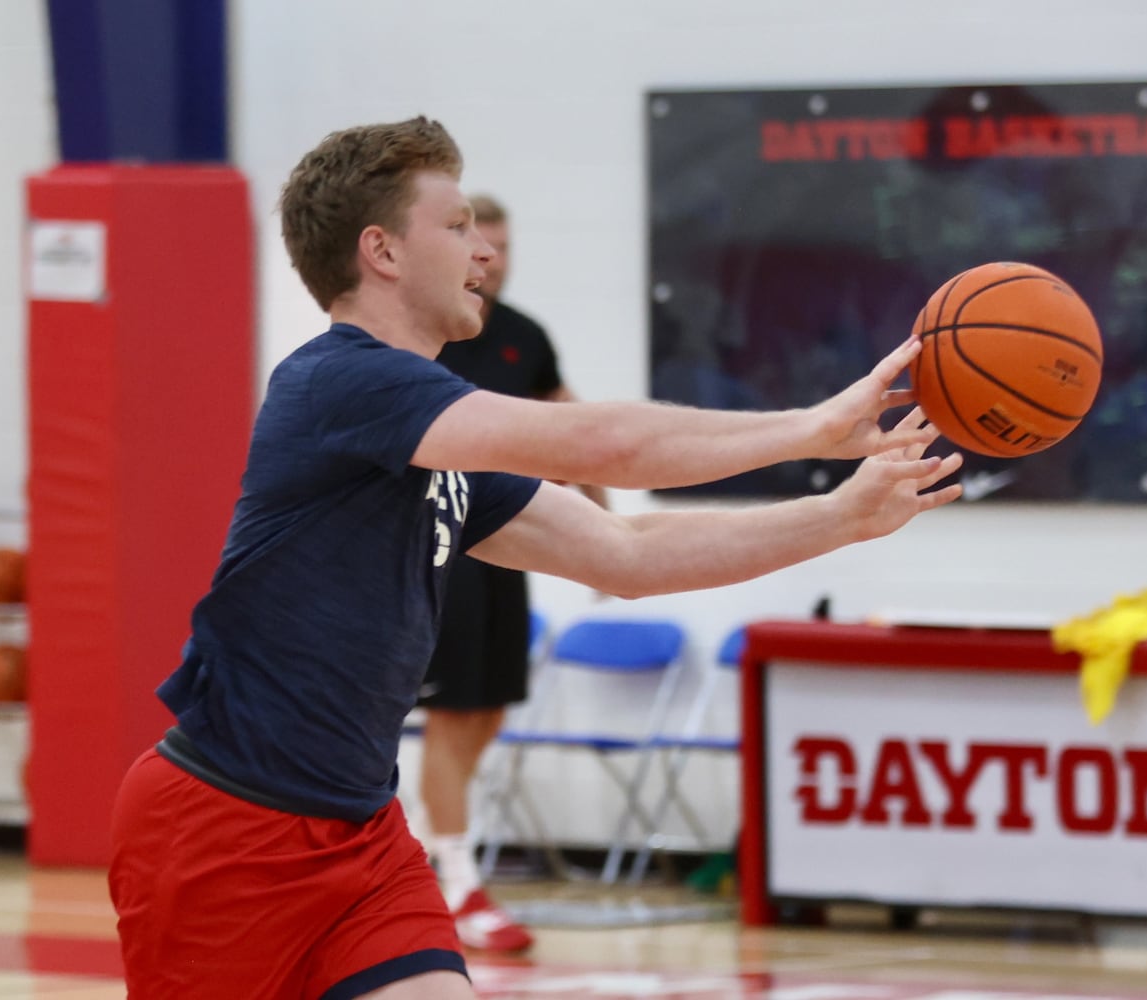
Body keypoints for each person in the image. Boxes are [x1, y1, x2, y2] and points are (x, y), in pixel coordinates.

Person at [107, 115, 963, 1000]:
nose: (482, 252)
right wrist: (810, 427)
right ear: (382, 251)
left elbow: (624, 552)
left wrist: (838, 516)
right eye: (456, 225)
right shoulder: (341, 381)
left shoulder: (430, 441)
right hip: (225, 829)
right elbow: (604, 446)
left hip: (359, 837)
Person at [417, 193, 606, 953]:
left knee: (488, 711)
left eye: (498, 245)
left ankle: (445, 858)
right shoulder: (426, 335)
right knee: (452, 714)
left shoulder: (525, 336)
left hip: (509, 542)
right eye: (473, 243)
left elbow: (575, 428)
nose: (487, 259)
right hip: (441, 550)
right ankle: (455, 882)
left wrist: (605, 525)